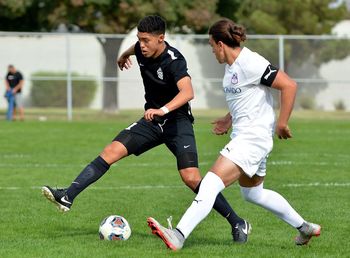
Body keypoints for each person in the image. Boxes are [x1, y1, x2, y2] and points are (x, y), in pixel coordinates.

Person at [42, 15, 250, 243]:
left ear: (161, 39)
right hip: (151, 122)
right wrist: (124, 55)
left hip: (177, 122)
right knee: (111, 151)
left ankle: (237, 222)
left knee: (191, 178)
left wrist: (163, 109)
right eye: (139, 39)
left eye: (147, 40)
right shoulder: (141, 49)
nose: (142, 45)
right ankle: (67, 196)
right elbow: (134, 49)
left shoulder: (174, 60)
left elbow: (188, 92)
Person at [147, 18, 321, 250]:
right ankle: (304, 227)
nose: (212, 51)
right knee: (253, 193)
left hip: (252, 139)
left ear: (221, 44)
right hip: (246, 137)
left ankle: (178, 235)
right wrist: (228, 119)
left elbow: (289, 85)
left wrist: (282, 122)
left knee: (209, 183)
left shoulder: (250, 62)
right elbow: (246, 97)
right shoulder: (231, 68)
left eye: (211, 46)